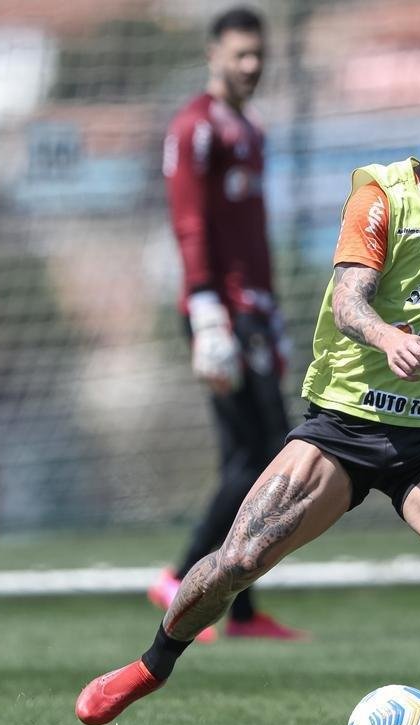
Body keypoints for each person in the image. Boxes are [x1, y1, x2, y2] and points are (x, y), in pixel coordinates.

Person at [78, 60, 420, 725]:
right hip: (343, 426)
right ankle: (152, 664)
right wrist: (388, 336)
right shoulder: (381, 197)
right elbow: (349, 300)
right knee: (238, 561)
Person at [150, 6, 304, 642]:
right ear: (213, 53)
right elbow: (189, 224)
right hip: (221, 314)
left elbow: (250, 237)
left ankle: (238, 609)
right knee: (263, 457)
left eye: (258, 55)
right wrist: (208, 312)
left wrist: (269, 313)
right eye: (240, 54)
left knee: (258, 456)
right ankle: (182, 573)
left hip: (253, 314)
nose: (251, 65)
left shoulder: (250, 128)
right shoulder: (195, 128)